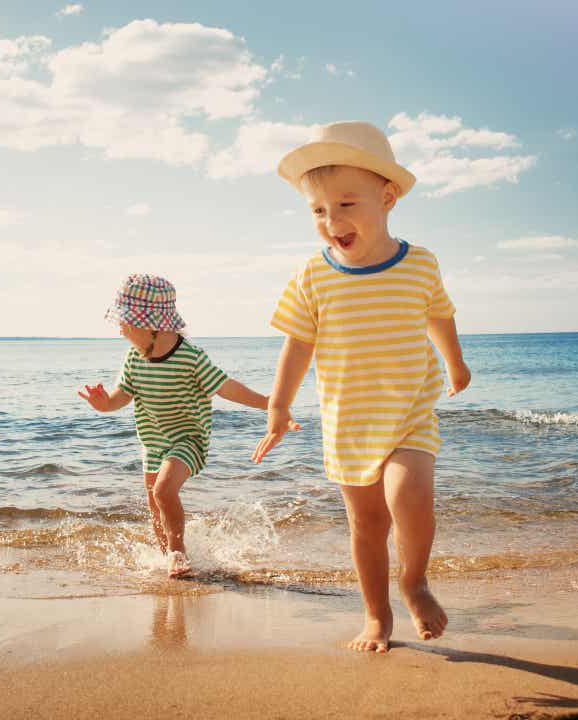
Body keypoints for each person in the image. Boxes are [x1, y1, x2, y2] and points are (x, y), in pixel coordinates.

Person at [252, 121, 472, 652]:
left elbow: (439, 316)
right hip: (348, 422)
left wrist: (455, 364)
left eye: (347, 205)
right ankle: (376, 617)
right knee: (367, 525)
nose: (332, 221)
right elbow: (298, 344)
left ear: (387, 197)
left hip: (408, 414)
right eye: (319, 211)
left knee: (410, 496)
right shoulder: (312, 275)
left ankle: (414, 580)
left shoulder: (419, 263)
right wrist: (278, 405)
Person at [79, 273, 293, 578]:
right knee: (156, 506)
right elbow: (121, 396)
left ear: (150, 323)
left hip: (188, 438)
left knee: (164, 492)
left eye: (125, 323)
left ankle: (178, 553)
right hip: (153, 441)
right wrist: (104, 404)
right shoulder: (133, 358)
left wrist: (270, 403)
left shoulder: (190, 357)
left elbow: (225, 387)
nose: (122, 330)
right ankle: (168, 560)